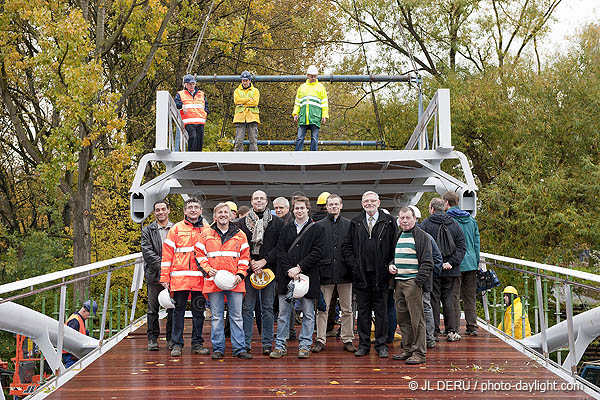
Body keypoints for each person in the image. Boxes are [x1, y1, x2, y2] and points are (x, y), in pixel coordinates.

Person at [342, 191, 396, 358]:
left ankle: (381, 345)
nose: (369, 203)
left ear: (378, 203)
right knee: (363, 312)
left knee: (381, 311)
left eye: (372, 201)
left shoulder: (389, 221)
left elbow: (395, 245)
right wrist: (354, 266)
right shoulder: (355, 222)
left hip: (382, 275)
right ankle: (363, 345)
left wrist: (391, 263)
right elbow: (346, 247)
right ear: (362, 203)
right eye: (366, 201)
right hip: (361, 275)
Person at [271, 196, 325, 359]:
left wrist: (299, 267)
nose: (299, 211)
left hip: (307, 277)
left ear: (308, 209)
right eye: (296, 208)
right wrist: (289, 269)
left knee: (308, 313)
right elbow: (280, 251)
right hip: (287, 277)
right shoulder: (285, 229)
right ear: (293, 210)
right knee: (283, 314)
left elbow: (318, 252)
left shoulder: (317, 229)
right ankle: (280, 345)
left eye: (302, 208)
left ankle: (305, 345)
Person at [196, 203, 252, 359]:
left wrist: (240, 275)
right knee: (216, 317)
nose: (223, 215)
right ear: (215, 216)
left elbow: (245, 257)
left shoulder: (240, 234)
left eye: (226, 212)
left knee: (236, 316)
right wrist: (207, 269)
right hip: (214, 280)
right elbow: (199, 254)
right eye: (219, 212)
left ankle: (239, 349)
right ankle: (218, 348)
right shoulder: (206, 233)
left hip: (235, 280)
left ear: (231, 215)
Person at [237, 190, 285, 355]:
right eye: (256, 198)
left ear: (266, 202)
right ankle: (246, 343)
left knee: (267, 308)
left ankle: (266, 343)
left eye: (262, 198)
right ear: (251, 201)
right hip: (249, 270)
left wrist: (264, 261)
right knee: (247, 308)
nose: (259, 201)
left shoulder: (278, 223)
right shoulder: (240, 223)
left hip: (268, 270)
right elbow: (239, 245)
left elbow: (281, 246)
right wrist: (251, 261)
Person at [160, 197, 209, 357]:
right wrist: (165, 278)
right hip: (179, 280)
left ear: (201, 210)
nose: (193, 210)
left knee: (198, 313)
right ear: (184, 211)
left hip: (200, 280)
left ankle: (197, 344)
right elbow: (167, 255)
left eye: (196, 207)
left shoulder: (207, 229)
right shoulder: (176, 229)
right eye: (190, 207)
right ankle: (176, 344)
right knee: (177, 312)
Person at [390, 207, 433, 365]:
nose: (405, 221)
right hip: (399, 282)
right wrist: (391, 265)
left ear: (415, 218)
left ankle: (419, 352)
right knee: (403, 319)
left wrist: (417, 282)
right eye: (402, 218)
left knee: (417, 319)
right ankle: (407, 349)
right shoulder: (398, 235)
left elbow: (428, 262)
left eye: (408, 217)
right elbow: (393, 257)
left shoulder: (422, 236)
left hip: (413, 283)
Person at [313, 194, 356, 353]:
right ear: (327, 206)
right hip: (325, 273)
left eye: (336, 204)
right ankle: (320, 339)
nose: (333, 207)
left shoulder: (350, 225)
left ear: (341, 205)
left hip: (345, 273)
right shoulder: (319, 225)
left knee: (347, 309)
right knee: (323, 309)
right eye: (331, 204)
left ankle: (348, 338)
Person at [420, 197, 466, 342]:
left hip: (433, 269)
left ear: (432, 209)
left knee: (433, 300)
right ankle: (451, 330)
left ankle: (433, 331)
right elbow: (461, 246)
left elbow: (421, 247)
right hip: (451, 270)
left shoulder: (425, 224)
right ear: (444, 208)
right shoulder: (454, 224)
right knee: (449, 300)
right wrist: (451, 262)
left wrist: (434, 264)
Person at [443, 192, 481, 336]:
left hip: (456, 262)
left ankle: (455, 328)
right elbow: (476, 243)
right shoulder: (471, 219)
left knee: (454, 296)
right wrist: (475, 261)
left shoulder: (448, 219)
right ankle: (472, 327)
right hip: (471, 263)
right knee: (469, 296)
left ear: (446, 203)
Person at [408, 205, 443, 349]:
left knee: (425, 307)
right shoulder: (403, 236)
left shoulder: (425, 237)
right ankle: (416, 339)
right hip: (409, 281)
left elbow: (436, 259)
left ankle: (428, 338)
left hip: (422, 281)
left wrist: (428, 276)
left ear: (415, 219)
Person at [141, 201, 174, 351]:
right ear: (154, 213)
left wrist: (171, 268)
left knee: (172, 306)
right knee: (153, 308)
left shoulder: (177, 229)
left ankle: (171, 338)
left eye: (163, 209)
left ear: (168, 210)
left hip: (174, 274)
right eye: (157, 210)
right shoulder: (148, 230)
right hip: (154, 274)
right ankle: (152, 338)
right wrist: (163, 266)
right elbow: (147, 252)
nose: (160, 212)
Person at [292, 65, 329, 151]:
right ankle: (297, 155)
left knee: (314, 138)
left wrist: (324, 115)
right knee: (299, 138)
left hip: (315, 116)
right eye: (312, 76)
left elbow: (324, 103)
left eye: (315, 76)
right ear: (308, 75)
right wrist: (295, 113)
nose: (313, 78)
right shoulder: (302, 87)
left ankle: (313, 156)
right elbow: (297, 102)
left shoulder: (320, 87)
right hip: (303, 116)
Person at [174, 74, 209, 151]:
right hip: (188, 121)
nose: (192, 86)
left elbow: (206, 105)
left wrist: (205, 112)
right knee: (193, 137)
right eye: (190, 84)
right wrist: (182, 106)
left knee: (199, 140)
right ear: (185, 85)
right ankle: (191, 156)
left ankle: (198, 158)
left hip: (200, 121)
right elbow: (176, 103)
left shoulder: (201, 94)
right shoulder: (180, 94)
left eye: (193, 84)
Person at [62, 300, 97, 368]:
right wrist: (74, 354)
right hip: (71, 356)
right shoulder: (75, 321)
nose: (88, 317)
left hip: (73, 355)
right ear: (84, 311)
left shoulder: (79, 320)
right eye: (89, 315)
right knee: (70, 375)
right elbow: (69, 340)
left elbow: (85, 334)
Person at [233, 71, 260, 151]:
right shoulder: (237, 91)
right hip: (240, 117)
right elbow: (236, 101)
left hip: (252, 117)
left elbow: (255, 102)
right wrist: (249, 99)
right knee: (238, 141)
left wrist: (242, 103)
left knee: (253, 141)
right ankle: (237, 160)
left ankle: (254, 160)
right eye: (243, 80)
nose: (244, 82)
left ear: (249, 80)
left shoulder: (255, 91)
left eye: (246, 80)